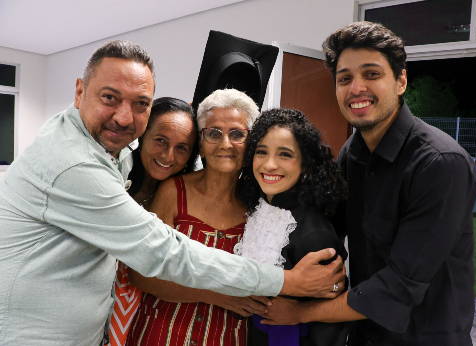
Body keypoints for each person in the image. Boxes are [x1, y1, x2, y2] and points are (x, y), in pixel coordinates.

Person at [0, 40, 346, 346]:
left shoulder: (265, 208)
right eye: (110, 97)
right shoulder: (76, 166)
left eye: (140, 103)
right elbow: (161, 254)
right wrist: (284, 282)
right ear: (79, 92)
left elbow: (330, 286)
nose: (124, 116)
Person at [260, 21, 476, 346]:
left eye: (372, 74)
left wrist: (300, 312)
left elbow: (398, 287)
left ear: (401, 81)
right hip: (364, 336)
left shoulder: (441, 164)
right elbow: (323, 225)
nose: (356, 88)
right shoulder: (355, 151)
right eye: (344, 78)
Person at [126, 89, 267, 346]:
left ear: (251, 142)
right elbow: (141, 275)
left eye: (237, 134)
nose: (225, 144)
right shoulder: (174, 191)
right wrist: (215, 295)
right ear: (201, 144)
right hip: (160, 336)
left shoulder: (259, 207)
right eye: (214, 134)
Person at [235, 108, 350, 346]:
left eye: (285, 155)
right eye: (261, 152)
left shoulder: (314, 233)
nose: (270, 164)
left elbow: (330, 329)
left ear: (306, 164)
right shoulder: (257, 208)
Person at [108, 97, 199, 346]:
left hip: (144, 318)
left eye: (182, 147)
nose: (169, 156)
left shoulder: (184, 200)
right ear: (142, 137)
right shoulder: (112, 181)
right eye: (161, 140)